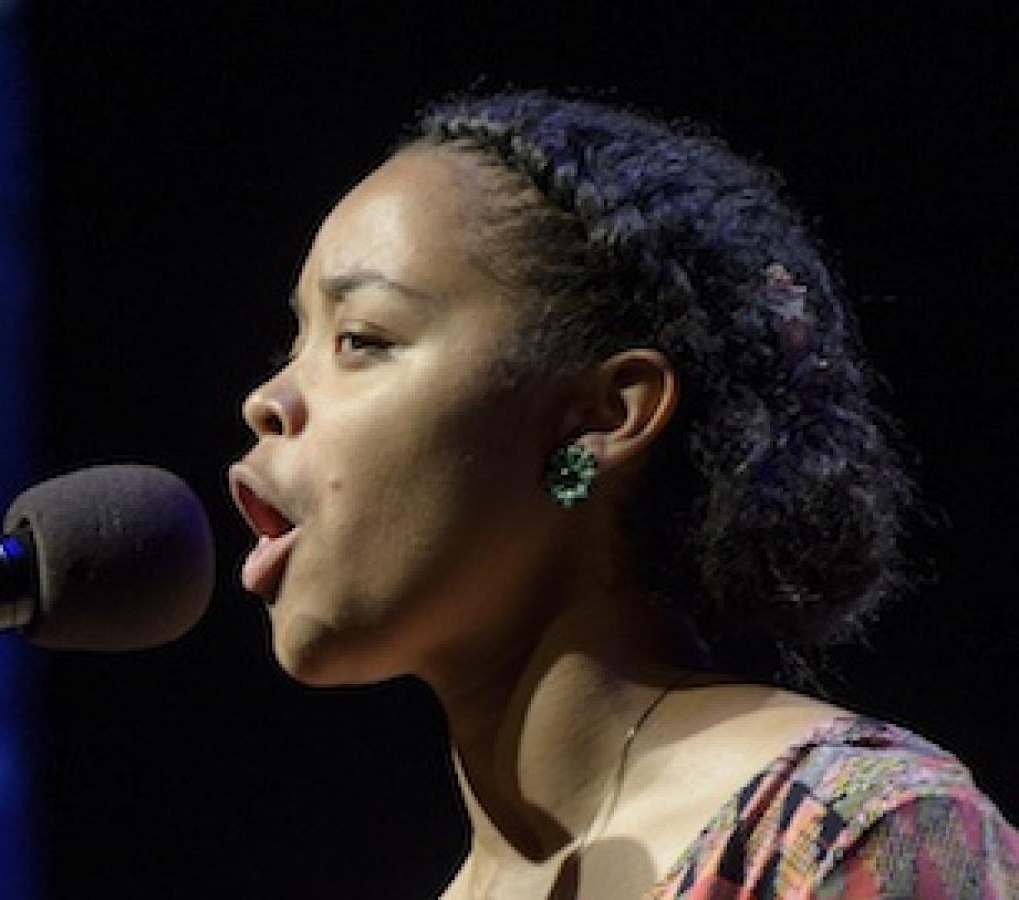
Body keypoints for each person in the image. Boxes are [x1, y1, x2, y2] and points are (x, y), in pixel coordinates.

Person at [227, 89, 1019, 898]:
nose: (267, 399)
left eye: (361, 338)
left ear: (602, 417)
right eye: (297, 342)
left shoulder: (845, 833)